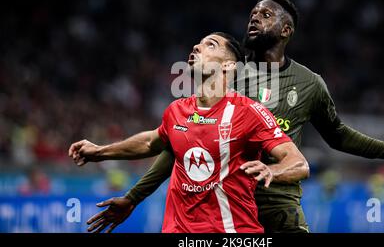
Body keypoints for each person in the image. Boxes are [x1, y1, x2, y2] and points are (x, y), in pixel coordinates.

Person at [70, 0, 384, 233]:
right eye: (252, 12)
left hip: (278, 207)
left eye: (264, 14)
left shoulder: (309, 83)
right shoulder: (223, 80)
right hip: (224, 209)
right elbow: (175, 145)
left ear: (286, 29)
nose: (254, 18)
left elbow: (339, 136)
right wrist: (134, 197)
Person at [69, 32, 309, 233]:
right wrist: (99, 152)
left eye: (210, 44)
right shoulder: (176, 111)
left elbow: (298, 163)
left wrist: (271, 170)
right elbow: (151, 142)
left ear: (228, 65)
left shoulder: (249, 112)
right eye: (198, 43)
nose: (196, 46)